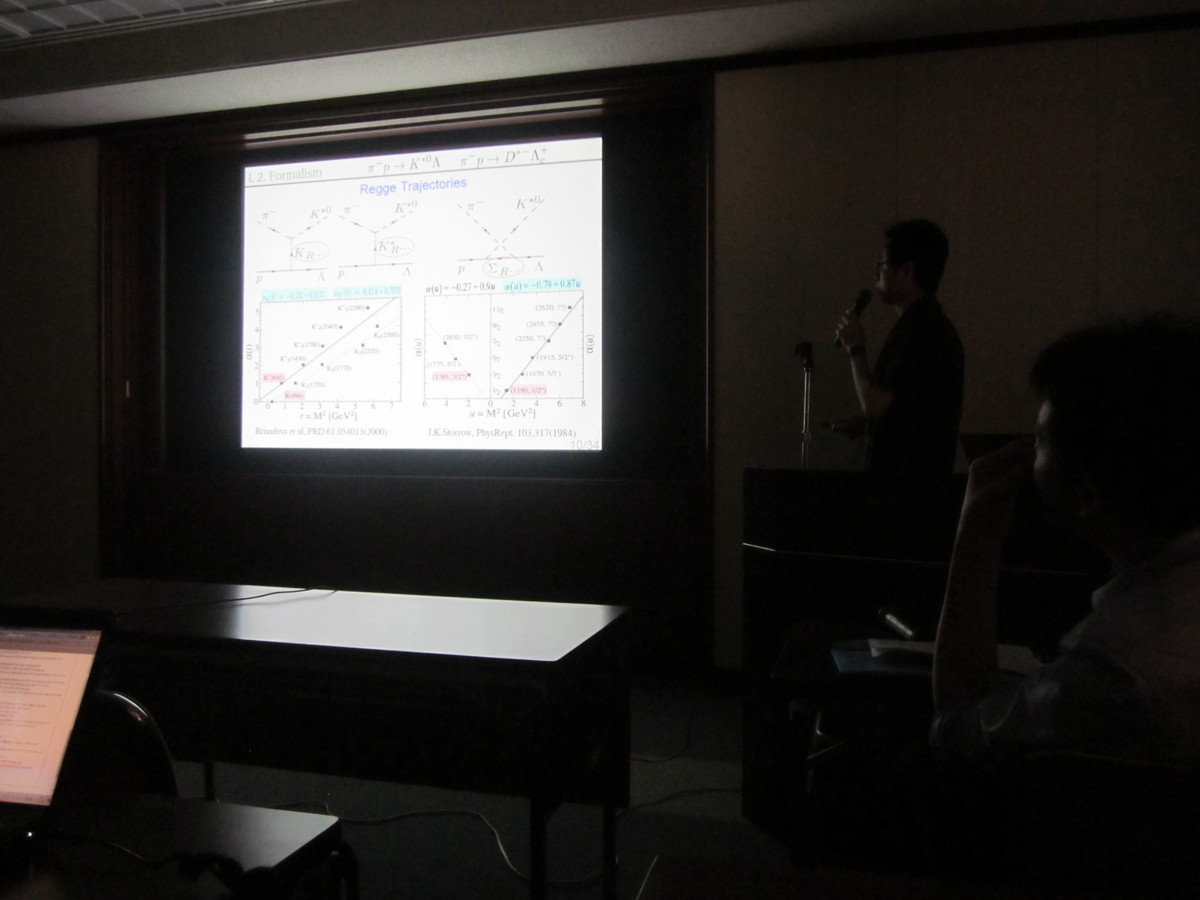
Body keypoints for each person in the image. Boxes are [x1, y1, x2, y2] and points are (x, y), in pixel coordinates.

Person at [932, 312, 1200, 766]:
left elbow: (958, 730)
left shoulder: (1109, 670)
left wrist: (976, 530)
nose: (1026, 453)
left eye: (1039, 442)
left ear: (1086, 493)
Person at [832, 219, 964, 543]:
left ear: (906, 270)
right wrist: (869, 426)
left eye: (883, 263)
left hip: (906, 499)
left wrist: (855, 348)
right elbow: (910, 409)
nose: (877, 271)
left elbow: (875, 405)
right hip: (919, 494)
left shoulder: (919, 331)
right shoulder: (929, 325)